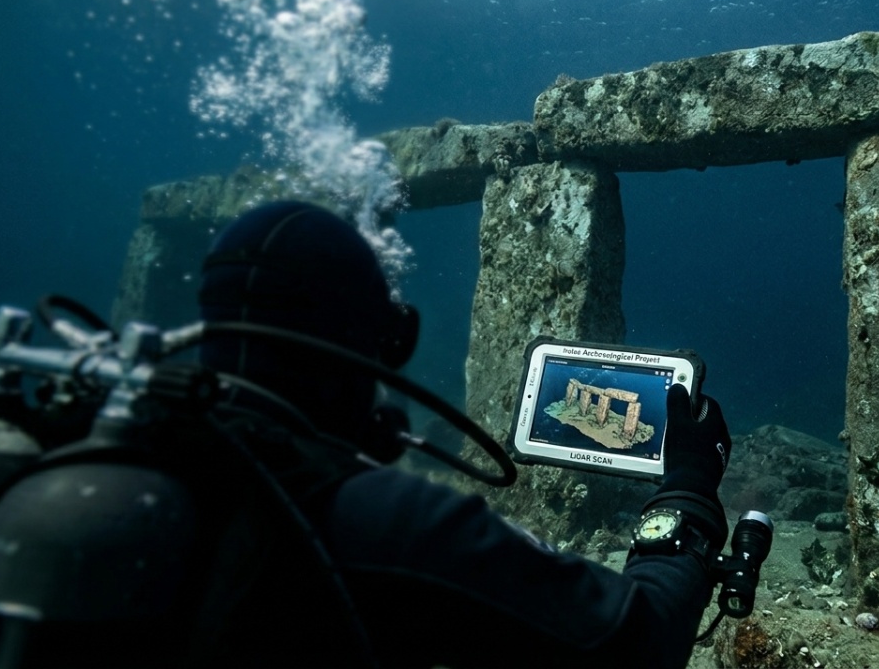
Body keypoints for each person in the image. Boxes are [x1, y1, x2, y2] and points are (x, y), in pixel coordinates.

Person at [194, 200, 733, 668]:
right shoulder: (385, 523)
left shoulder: (132, 438)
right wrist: (688, 486)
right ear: (384, 342)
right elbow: (640, 642)